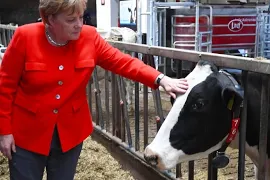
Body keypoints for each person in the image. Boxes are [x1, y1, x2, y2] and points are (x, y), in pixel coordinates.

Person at [0, 0, 189, 179]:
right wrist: (4, 132)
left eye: (82, 17)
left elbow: (122, 62)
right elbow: (5, 86)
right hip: (26, 135)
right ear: (49, 19)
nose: (79, 24)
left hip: (70, 134)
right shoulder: (25, 36)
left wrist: (161, 78)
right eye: (71, 19)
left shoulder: (89, 37)